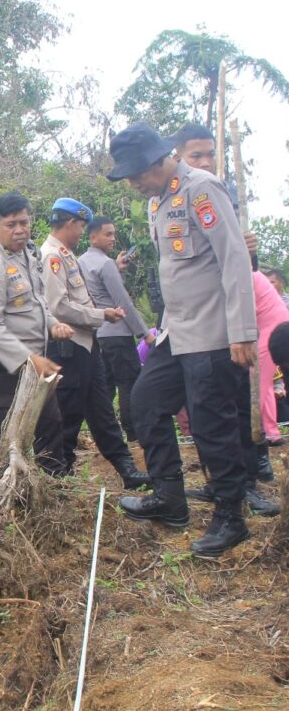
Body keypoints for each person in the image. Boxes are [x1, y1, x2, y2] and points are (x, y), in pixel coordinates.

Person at [108, 122, 258, 557]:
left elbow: (233, 259)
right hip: (177, 331)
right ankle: (170, 498)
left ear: (158, 160)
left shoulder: (202, 189)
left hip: (213, 333)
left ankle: (231, 517)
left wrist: (243, 331)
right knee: (146, 403)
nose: (134, 183)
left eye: (137, 173)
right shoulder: (159, 202)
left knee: (212, 429)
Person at [171, 123, 279, 512]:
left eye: (209, 153)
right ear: (178, 156)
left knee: (238, 407)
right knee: (214, 414)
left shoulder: (215, 192)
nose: (205, 161)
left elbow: (239, 269)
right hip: (206, 325)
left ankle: (247, 483)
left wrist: (243, 332)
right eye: (195, 155)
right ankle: (224, 483)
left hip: (237, 326)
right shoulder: (178, 197)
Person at [40, 198, 151, 489]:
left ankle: (127, 471)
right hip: (68, 346)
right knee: (69, 413)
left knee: (102, 410)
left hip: (87, 346)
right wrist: (100, 314)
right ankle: (58, 475)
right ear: (70, 224)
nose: (81, 234)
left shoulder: (67, 255)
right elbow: (58, 306)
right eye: (80, 227)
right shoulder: (51, 256)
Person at [0, 191, 74, 473]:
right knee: (9, 436)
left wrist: (53, 324)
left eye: (24, 222)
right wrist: (29, 359)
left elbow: (36, 303)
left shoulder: (30, 254)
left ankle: (55, 488)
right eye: (11, 224)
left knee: (50, 425)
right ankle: (8, 498)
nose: (19, 230)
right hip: (4, 366)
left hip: (36, 361)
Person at [78, 216, 156, 442]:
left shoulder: (81, 262)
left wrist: (118, 268)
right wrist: (145, 334)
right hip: (118, 333)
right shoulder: (105, 264)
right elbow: (123, 302)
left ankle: (105, 433)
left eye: (113, 233)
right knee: (129, 382)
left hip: (97, 332)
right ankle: (134, 432)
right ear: (93, 237)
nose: (113, 238)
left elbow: (97, 293)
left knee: (106, 386)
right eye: (108, 234)